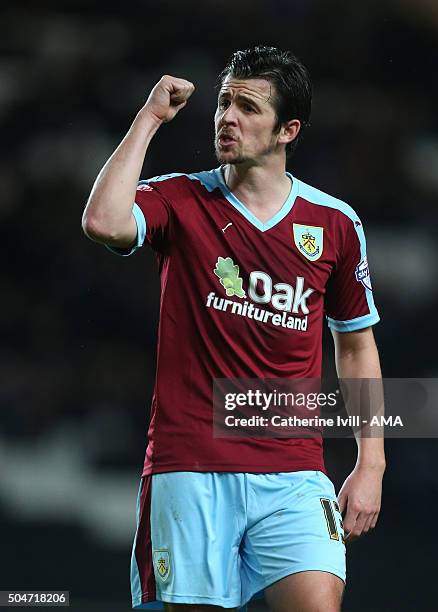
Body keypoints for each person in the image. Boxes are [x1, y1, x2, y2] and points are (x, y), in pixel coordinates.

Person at [82, 46, 385, 612]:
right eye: (224, 102)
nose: (227, 117)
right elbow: (102, 221)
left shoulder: (335, 224)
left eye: (247, 106)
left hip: (294, 471)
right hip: (192, 465)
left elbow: (356, 347)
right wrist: (149, 118)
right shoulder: (180, 198)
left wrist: (371, 463)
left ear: (287, 130)